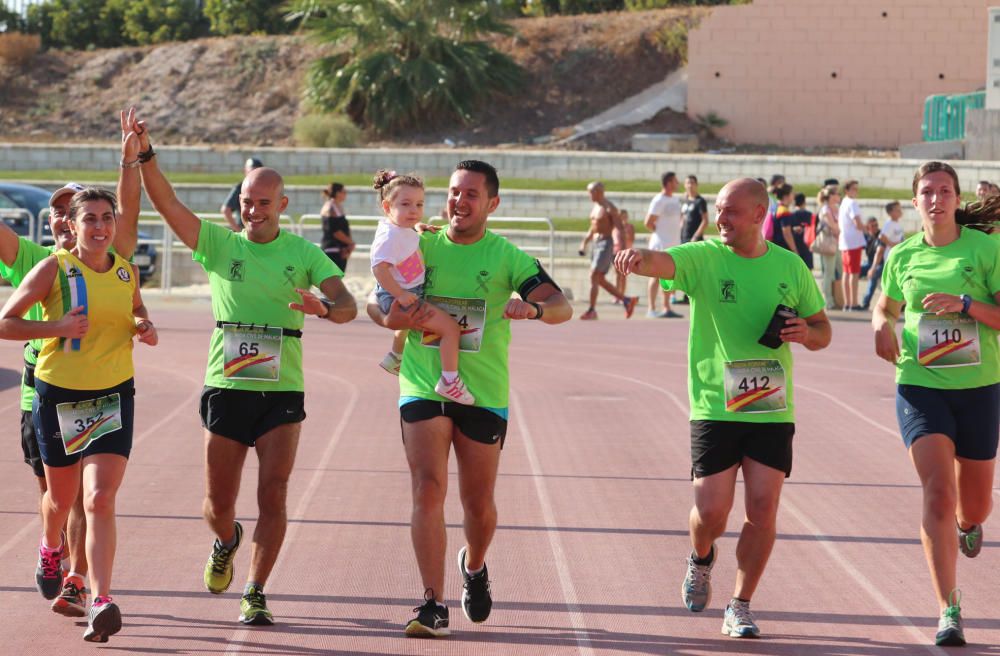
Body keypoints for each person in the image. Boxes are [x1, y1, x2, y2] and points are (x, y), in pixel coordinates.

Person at [133, 111, 357, 626]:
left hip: (282, 392)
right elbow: (166, 202)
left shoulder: (303, 253)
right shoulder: (220, 245)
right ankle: (226, 540)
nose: (253, 210)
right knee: (218, 503)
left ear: (282, 204)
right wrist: (146, 155)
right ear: (237, 205)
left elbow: (346, 304)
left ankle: (255, 590)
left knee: (273, 492)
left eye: (262, 202)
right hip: (227, 386)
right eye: (245, 202)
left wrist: (323, 308)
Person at [615, 177, 831, 640]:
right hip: (715, 405)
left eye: (731, 211)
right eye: (718, 209)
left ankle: (740, 604)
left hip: (771, 407)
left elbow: (822, 329)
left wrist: (805, 335)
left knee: (762, 509)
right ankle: (700, 556)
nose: (721, 219)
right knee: (712, 511)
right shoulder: (704, 257)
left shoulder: (790, 268)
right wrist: (638, 259)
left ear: (759, 214)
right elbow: (663, 261)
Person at [368, 160, 571, 638]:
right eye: (454, 192)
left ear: (492, 204)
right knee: (427, 488)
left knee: (477, 504)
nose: (459, 202)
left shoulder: (507, 257)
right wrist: (388, 320)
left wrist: (534, 308)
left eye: (471, 195)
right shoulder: (420, 240)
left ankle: (474, 565)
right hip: (422, 382)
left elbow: (562, 306)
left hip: (482, 392)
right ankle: (432, 603)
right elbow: (377, 299)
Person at [0, 180, 158, 642]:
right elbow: (6, 322)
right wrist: (58, 326)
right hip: (58, 399)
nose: (101, 227)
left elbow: (135, 308)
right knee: (61, 499)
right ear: (72, 224)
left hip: (112, 397)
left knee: (100, 500)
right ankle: (51, 547)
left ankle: (101, 598)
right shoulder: (53, 268)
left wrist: (143, 324)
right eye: (90, 218)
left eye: (107, 218)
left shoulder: (126, 271)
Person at [872, 161, 1000, 647]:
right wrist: (879, 325)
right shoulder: (902, 256)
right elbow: (883, 305)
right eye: (926, 191)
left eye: (944, 190)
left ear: (956, 198)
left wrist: (966, 305)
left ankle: (970, 525)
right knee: (938, 493)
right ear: (915, 200)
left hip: (979, 387)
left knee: (974, 504)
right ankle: (948, 608)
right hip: (920, 386)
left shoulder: (986, 250)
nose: (935, 198)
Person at [370, 169, 475, 404]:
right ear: (387, 207)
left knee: (408, 328)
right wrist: (400, 294)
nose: (414, 210)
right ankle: (449, 381)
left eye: (419, 204)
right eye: (406, 204)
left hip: (407, 293)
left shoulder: (399, 230)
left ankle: (395, 356)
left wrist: (417, 228)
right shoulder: (389, 237)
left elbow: (403, 239)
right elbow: (379, 269)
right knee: (450, 329)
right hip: (400, 297)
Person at [578, 181, 638, 320]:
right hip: (596, 243)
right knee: (598, 278)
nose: (589, 195)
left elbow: (619, 228)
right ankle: (627, 300)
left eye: (591, 192)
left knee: (594, 275)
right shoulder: (595, 207)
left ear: (599, 192)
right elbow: (593, 227)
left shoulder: (609, 208)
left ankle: (592, 310)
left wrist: (622, 248)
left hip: (605, 244)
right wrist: (584, 243)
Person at [644, 172, 682, 318]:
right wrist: (659, 234)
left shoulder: (675, 199)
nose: (677, 183)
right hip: (660, 243)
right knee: (654, 275)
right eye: (675, 181)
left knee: (667, 275)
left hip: (673, 243)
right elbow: (648, 222)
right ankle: (651, 308)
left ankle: (666, 307)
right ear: (668, 183)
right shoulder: (658, 200)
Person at [861, 201, 905, 311]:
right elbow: (882, 237)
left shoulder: (897, 224)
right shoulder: (889, 224)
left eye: (900, 209)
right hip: (889, 259)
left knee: (895, 282)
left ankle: (899, 304)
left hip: (897, 259)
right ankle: (867, 302)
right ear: (890, 213)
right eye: (897, 210)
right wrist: (892, 244)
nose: (900, 211)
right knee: (884, 281)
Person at [838, 179, 866, 311]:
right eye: (854, 189)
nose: (856, 191)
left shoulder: (843, 202)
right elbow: (858, 224)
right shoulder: (852, 203)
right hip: (853, 242)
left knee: (847, 273)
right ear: (847, 190)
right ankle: (853, 303)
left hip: (845, 241)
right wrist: (868, 229)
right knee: (854, 273)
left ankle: (847, 303)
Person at [815, 187, 842, 310]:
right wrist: (840, 229)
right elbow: (835, 227)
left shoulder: (836, 208)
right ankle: (828, 301)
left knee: (839, 272)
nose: (839, 196)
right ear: (831, 195)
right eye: (837, 193)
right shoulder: (825, 210)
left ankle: (837, 299)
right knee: (828, 273)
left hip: (838, 244)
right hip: (829, 245)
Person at [221, 157, 263, 232]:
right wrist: (238, 231)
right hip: (245, 230)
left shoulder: (266, 188)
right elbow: (225, 210)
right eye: (251, 172)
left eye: (257, 173)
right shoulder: (240, 188)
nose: (254, 176)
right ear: (245, 171)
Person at [320, 182, 354, 272]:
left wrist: (349, 244)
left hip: (340, 250)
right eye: (344, 191)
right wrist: (351, 243)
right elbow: (335, 231)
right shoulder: (330, 208)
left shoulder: (337, 206)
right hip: (332, 249)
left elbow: (344, 228)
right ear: (337, 193)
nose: (345, 194)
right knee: (333, 280)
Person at [779, 192, 815, 270]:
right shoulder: (810, 214)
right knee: (808, 270)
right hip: (807, 245)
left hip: (795, 245)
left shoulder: (791, 215)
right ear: (804, 202)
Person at [613, 208, 636, 299]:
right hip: (616, 252)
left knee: (623, 275)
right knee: (617, 275)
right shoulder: (614, 227)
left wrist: (624, 232)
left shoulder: (630, 227)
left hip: (626, 253)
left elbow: (631, 239)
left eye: (625, 217)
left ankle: (621, 295)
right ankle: (616, 295)